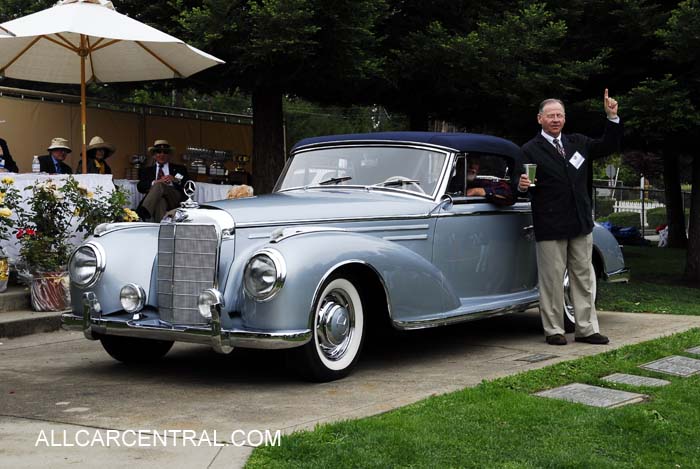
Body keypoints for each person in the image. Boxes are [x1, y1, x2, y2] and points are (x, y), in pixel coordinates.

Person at [519, 89, 622, 346]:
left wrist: (612, 118)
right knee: (553, 280)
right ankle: (554, 329)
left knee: (584, 277)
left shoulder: (578, 142)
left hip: (580, 222)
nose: (556, 120)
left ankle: (586, 329)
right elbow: (518, 184)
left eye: (560, 116)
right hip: (550, 224)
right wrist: (521, 185)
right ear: (540, 119)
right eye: (551, 116)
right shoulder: (530, 149)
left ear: (564, 119)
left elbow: (608, 145)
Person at [136, 139, 191, 222]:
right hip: (158, 199)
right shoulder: (146, 170)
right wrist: (154, 182)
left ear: (169, 155)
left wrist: (175, 180)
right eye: (158, 152)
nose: (162, 155)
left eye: (165, 152)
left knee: (159, 185)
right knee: (161, 201)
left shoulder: (180, 169)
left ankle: (144, 211)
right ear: (154, 155)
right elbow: (140, 187)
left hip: (175, 198)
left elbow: (188, 186)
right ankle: (161, 227)